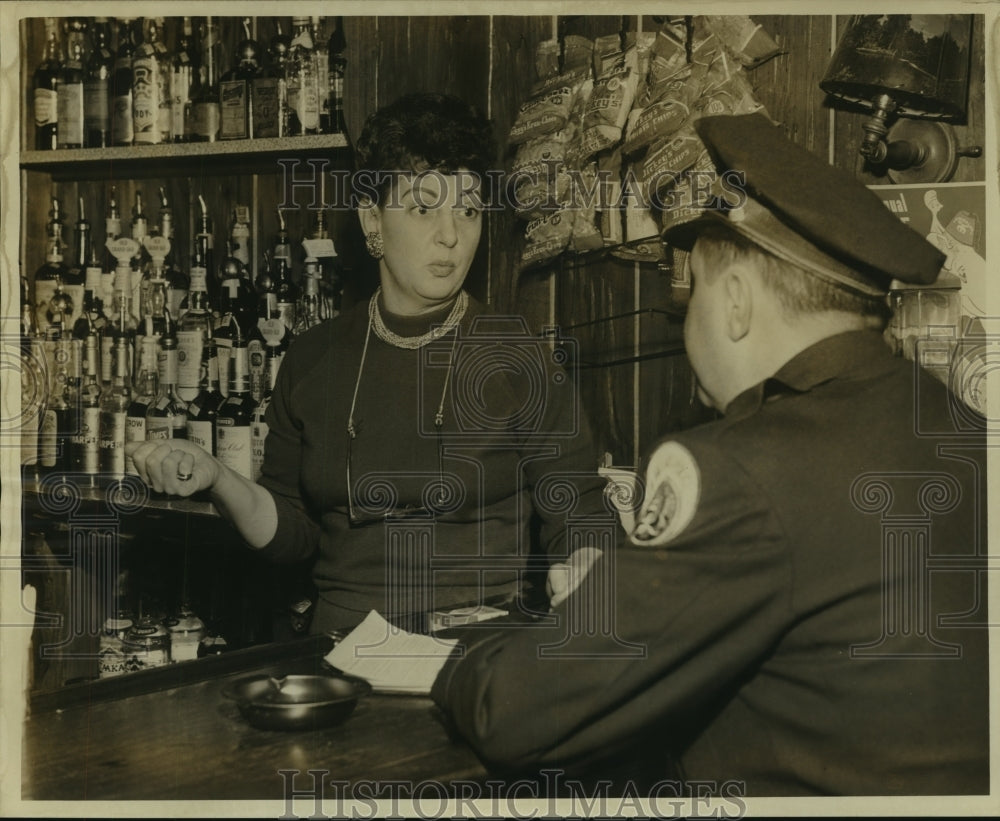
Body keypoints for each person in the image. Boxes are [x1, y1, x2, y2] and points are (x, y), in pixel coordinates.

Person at [428, 113, 989, 795]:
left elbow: (512, 712)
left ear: (735, 304)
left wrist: (463, 658)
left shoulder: (742, 469)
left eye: (690, 290)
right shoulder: (959, 425)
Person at [126, 92, 608, 634]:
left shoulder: (519, 356)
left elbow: (581, 511)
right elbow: (292, 533)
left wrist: (585, 565)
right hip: (338, 650)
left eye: (469, 210)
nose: (450, 234)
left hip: (475, 653)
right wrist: (217, 477)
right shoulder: (315, 356)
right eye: (423, 208)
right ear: (372, 219)